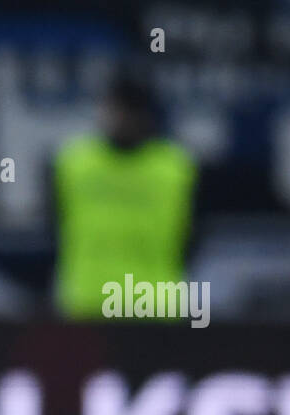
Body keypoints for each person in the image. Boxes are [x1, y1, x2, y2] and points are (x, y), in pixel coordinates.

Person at [53, 74, 197, 319]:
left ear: (146, 115)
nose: (120, 119)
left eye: (128, 110)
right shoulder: (74, 163)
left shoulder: (175, 167)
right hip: (87, 302)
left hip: (153, 304)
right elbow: (55, 229)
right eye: (114, 108)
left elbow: (194, 233)